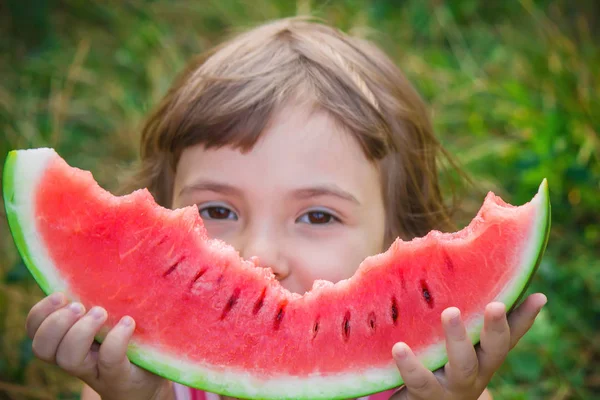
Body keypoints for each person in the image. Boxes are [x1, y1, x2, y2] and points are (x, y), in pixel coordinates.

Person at [24, 17, 547, 400]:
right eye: (216, 210)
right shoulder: (137, 374)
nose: (259, 254)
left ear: (398, 236)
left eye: (317, 216)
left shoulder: (438, 384)